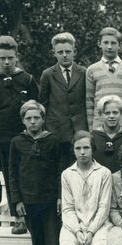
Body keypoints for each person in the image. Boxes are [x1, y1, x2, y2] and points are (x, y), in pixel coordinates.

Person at [0, 35, 39, 234]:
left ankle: (35, 216)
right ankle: (18, 219)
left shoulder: (27, 79)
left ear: (17, 57)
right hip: (3, 139)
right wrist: (1, 131)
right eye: (2, 58)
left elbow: (38, 107)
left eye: (11, 58)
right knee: (10, 176)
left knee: (29, 175)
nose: (7, 62)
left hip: (27, 137)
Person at [8, 100, 64, 245]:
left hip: (49, 202)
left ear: (43, 119)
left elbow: (60, 172)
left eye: (36, 118)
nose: (33, 122)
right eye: (28, 118)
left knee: (53, 244)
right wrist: (17, 201)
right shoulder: (17, 142)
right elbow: (12, 174)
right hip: (29, 202)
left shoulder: (52, 141)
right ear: (23, 121)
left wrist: (59, 197)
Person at [59, 131, 113, 245]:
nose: (82, 152)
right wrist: (78, 230)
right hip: (74, 225)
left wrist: (90, 231)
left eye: (86, 148)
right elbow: (67, 208)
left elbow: (104, 207)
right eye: (78, 148)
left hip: (98, 224)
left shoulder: (104, 173)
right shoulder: (67, 174)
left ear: (93, 149)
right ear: (73, 151)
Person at [39, 32, 88, 167]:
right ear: (54, 53)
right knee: (60, 169)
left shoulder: (84, 72)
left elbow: (88, 100)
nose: (64, 55)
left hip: (80, 130)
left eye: (68, 51)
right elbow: (43, 104)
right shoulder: (48, 74)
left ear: (74, 52)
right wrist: (46, 130)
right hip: (57, 131)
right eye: (60, 52)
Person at [86, 27, 122, 131]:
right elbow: (89, 101)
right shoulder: (92, 70)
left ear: (119, 45)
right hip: (99, 127)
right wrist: (91, 128)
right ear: (99, 44)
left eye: (113, 43)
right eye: (106, 42)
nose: (109, 47)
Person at [91, 95, 122, 173]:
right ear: (100, 115)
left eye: (115, 112)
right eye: (107, 113)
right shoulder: (93, 137)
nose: (111, 116)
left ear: (121, 113)